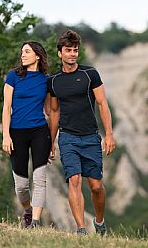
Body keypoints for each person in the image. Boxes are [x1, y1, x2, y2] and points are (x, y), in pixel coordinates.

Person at [48, 30, 115, 236]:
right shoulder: (53, 81)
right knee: (74, 180)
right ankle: (81, 230)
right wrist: (51, 143)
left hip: (91, 137)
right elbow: (54, 112)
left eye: (75, 50)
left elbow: (103, 104)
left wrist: (109, 135)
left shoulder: (90, 74)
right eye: (68, 50)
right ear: (60, 53)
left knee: (96, 187)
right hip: (67, 138)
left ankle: (100, 222)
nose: (72, 54)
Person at [2, 41, 55, 229]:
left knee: (40, 179)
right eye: (22, 52)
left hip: (40, 132)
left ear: (38, 56)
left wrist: (53, 141)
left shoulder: (46, 80)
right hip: (16, 133)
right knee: (22, 185)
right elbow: (6, 108)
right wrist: (5, 136)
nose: (22, 55)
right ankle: (28, 210)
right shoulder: (13, 77)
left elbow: (50, 111)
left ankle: (35, 222)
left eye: (27, 51)